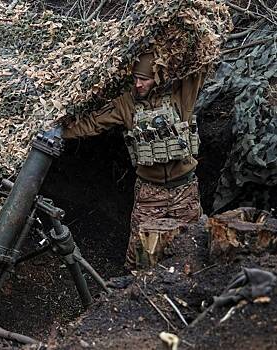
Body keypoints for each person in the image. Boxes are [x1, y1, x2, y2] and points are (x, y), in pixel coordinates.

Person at [62, 52, 206, 269]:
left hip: (185, 191)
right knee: (138, 254)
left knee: (193, 247)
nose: (138, 84)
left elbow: (201, 61)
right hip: (150, 193)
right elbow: (92, 123)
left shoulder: (181, 94)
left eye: (144, 79)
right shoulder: (126, 103)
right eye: (135, 78)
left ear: (157, 77)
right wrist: (58, 132)